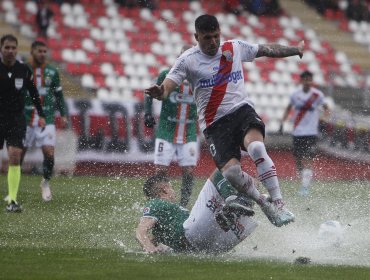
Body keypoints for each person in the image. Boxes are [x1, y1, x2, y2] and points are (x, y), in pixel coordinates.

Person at [145, 14, 304, 227]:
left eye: (216, 36)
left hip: (241, 111)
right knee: (231, 173)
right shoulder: (187, 60)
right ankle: (264, 203)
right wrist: (160, 91)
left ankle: (279, 203)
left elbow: (266, 49)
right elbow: (167, 88)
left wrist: (295, 50)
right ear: (196, 37)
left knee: (256, 147)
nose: (213, 42)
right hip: (214, 124)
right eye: (207, 38)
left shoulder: (234, 47)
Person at [136, 170, 258, 253]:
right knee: (222, 169)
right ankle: (242, 201)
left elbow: (159, 236)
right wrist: (149, 247)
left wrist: (156, 245)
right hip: (197, 237)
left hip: (208, 248)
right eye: (171, 187)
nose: (173, 191)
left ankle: (241, 203)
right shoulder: (155, 203)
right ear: (165, 190)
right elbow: (141, 230)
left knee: (248, 184)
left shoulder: (165, 219)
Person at [144, 45, 198, 207]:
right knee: (160, 170)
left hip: (188, 132)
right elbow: (150, 93)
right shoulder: (166, 75)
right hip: (166, 131)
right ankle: (160, 203)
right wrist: (148, 113)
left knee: (188, 171)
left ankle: (182, 205)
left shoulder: (201, 78)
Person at [0, 34, 46, 212]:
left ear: (17, 49)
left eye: (13, 48)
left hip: (16, 119)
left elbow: (33, 93)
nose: (10, 51)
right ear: (1, 49)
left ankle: (12, 200)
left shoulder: (23, 69)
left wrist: (41, 114)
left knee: (14, 155)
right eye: (7, 48)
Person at [21, 40, 68, 202]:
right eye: (39, 51)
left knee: (49, 153)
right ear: (32, 52)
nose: (42, 54)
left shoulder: (52, 71)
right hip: (25, 118)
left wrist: (64, 114)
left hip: (46, 119)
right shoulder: (23, 70)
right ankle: (13, 188)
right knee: (18, 156)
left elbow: (59, 96)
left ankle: (46, 182)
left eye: (44, 51)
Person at [280, 70, 329, 196]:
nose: (307, 82)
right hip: (297, 132)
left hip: (311, 132)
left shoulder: (318, 95)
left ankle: (305, 186)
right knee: (298, 159)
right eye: (305, 79)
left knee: (308, 158)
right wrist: (283, 122)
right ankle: (304, 180)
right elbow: (288, 108)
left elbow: (327, 109)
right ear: (301, 81)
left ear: (312, 81)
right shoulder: (295, 95)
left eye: (309, 79)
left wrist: (324, 118)